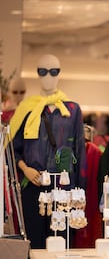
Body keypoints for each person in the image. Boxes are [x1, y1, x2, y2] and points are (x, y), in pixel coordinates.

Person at [9, 54, 87, 248]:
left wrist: (80, 193)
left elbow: (80, 152)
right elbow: (11, 149)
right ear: (37, 74)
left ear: (60, 74)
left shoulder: (72, 110)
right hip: (33, 185)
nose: (48, 77)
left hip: (63, 189)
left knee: (61, 243)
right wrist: (25, 169)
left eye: (54, 71)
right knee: (33, 243)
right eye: (43, 71)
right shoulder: (26, 110)